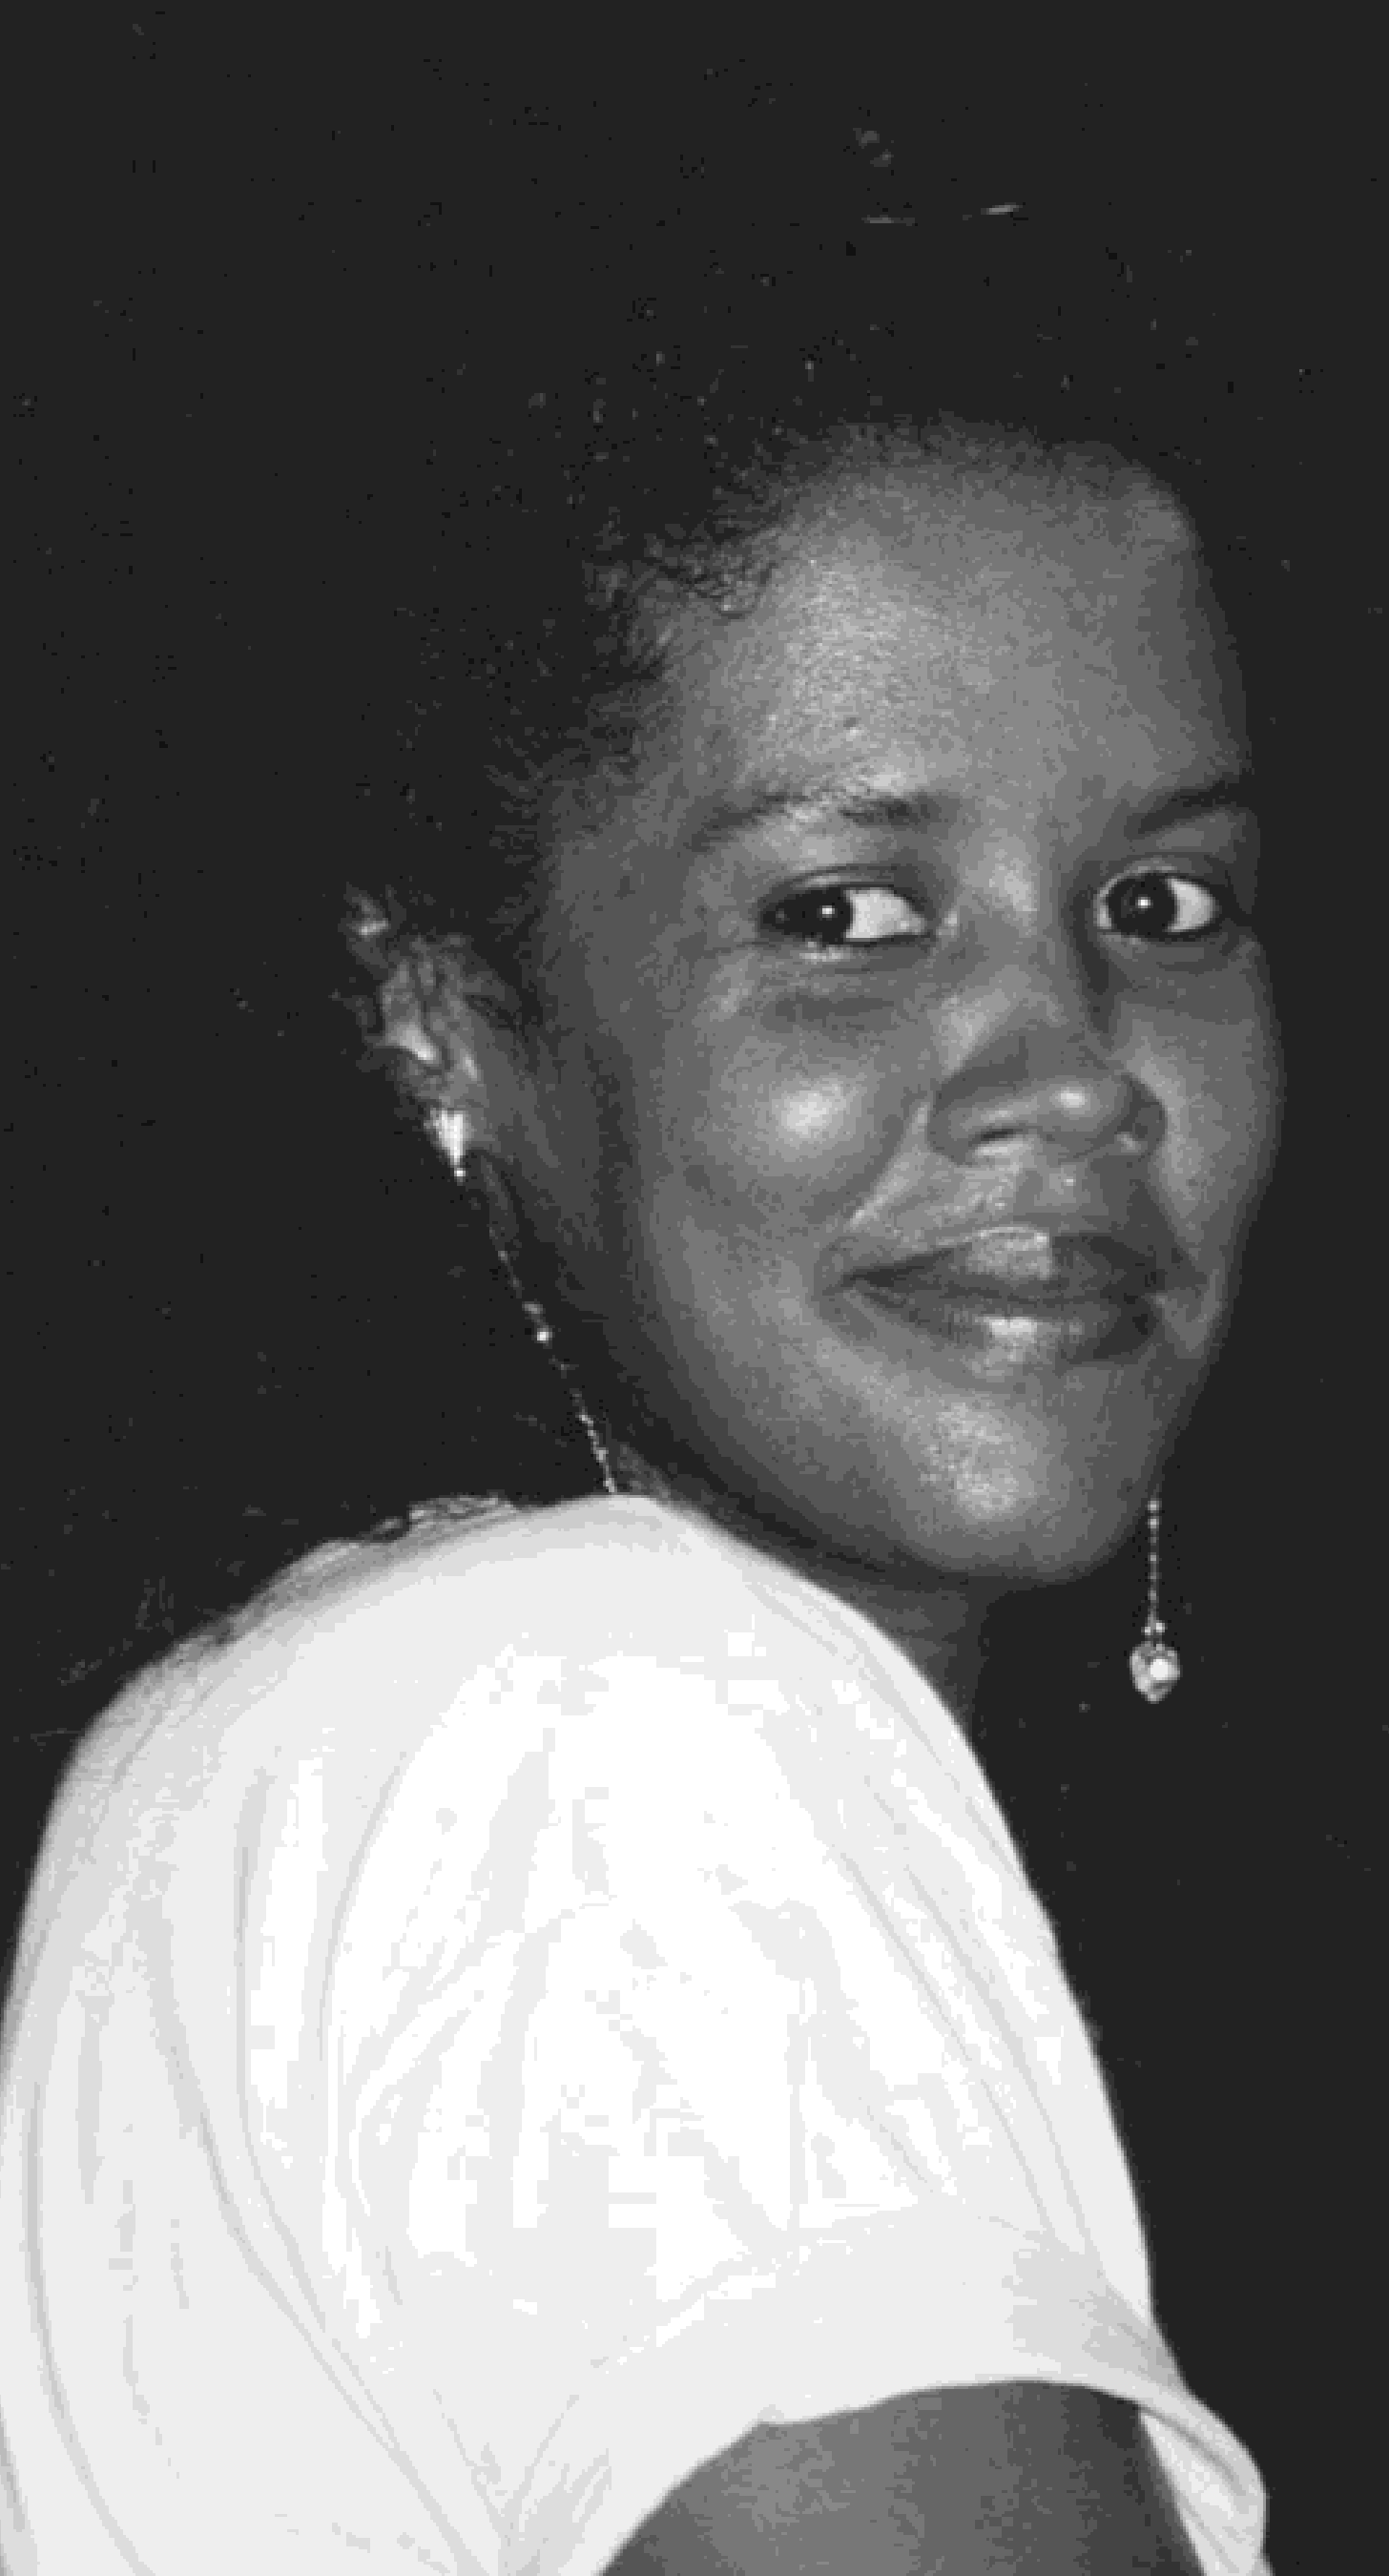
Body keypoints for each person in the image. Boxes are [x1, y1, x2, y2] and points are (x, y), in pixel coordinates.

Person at [0, 235, 1281, 2572]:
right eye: (844, 913)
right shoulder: (588, 1741)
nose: (1077, 1073)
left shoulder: (374, 1741)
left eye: (1167, 905)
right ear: (448, 1024)